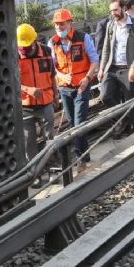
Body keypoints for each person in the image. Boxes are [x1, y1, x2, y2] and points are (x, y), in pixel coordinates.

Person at [48, 9, 99, 172]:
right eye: (56, 24)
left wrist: (87, 78)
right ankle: (85, 154)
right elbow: (52, 68)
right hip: (64, 88)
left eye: (62, 23)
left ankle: (79, 159)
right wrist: (61, 76)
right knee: (72, 123)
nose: (59, 27)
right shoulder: (52, 43)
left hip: (81, 87)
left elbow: (94, 61)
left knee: (79, 123)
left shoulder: (83, 38)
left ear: (70, 23)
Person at [98, 0, 134, 137]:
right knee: (105, 96)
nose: (113, 13)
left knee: (129, 100)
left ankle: (133, 129)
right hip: (112, 68)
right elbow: (106, 49)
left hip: (128, 68)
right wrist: (102, 68)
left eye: (115, 10)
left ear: (123, 9)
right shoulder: (111, 25)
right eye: (111, 10)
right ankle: (123, 119)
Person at [17, 23, 59, 161]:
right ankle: (34, 174)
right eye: (21, 46)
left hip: (45, 103)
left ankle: (54, 168)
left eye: (26, 46)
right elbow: (11, 83)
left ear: (34, 42)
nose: (23, 49)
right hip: (24, 107)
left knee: (49, 138)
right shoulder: (14, 55)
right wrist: (27, 89)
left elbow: (52, 76)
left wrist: (55, 95)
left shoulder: (46, 51)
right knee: (28, 142)